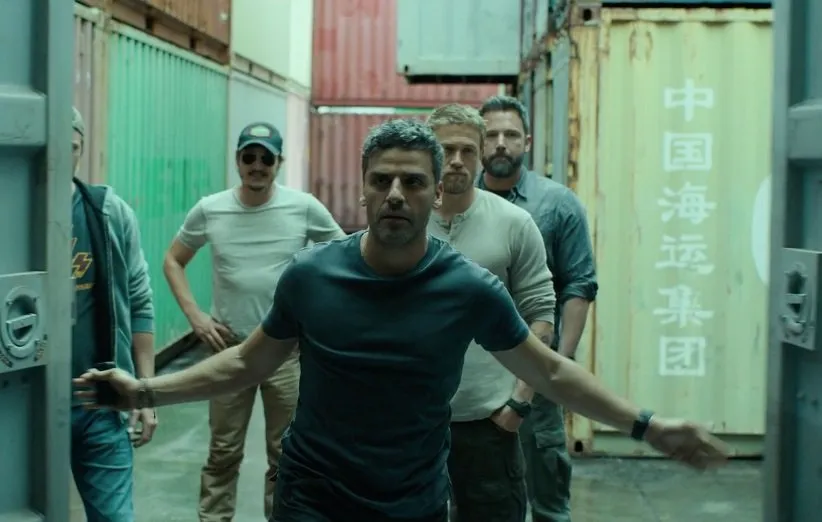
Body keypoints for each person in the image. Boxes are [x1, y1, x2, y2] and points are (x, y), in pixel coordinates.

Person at [75, 119, 729, 522]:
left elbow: (550, 371)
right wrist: (142, 389)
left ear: (436, 191)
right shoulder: (311, 277)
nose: (395, 195)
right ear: (362, 186)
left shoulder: (467, 289)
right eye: (382, 180)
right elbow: (248, 363)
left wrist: (648, 426)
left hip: (412, 502)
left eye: (413, 182)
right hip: (313, 499)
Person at [162, 122, 346, 521]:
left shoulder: (303, 207)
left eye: (266, 158)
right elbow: (173, 260)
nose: (257, 165)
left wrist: (317, 313)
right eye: (249, 157)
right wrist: (196, 317)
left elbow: (344, 257)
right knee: (223, 451)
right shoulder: (211, 209)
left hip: (284, 350)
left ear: (279, 162)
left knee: (286, 453)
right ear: (237, 160)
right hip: (229, 350)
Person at [426, 104, 555, 522]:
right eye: (446, 150)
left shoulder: (514, 224)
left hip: (489, 422)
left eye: (467, 150)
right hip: (412, 422)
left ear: (481, 153)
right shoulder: (404, 222)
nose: (457, 160)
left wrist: (518, 404)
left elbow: (541, 315)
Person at [477, 95, 598, 522]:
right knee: (475, 496)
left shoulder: (557, 204)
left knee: (548, 497)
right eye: (491, 134)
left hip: (536, 367)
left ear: (527, 142)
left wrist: (556, 367)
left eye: (511, 135)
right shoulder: (457, 202)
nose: (501, 143)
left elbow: (580, 286)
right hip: (473, 375)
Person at [70, 106, 157, 522]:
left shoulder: (107, 213)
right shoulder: (12, 213)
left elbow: (139, 301)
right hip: (25, 402)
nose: (60, 155)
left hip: (100, 400)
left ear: (81, 148)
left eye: (70, 146)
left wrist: (146, 391)